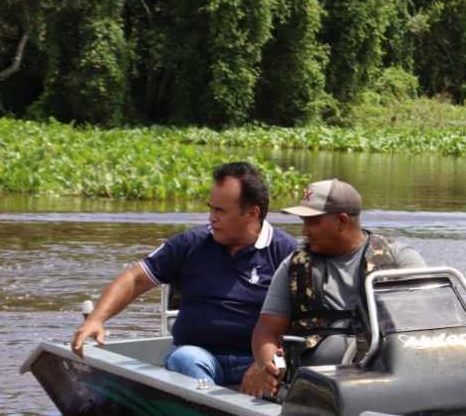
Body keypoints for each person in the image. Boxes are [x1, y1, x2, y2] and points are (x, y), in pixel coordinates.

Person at [71, 162, 298, 387]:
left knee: (281, 371)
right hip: (198, 356)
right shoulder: (191, 243)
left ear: (252, 213)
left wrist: (264, 364)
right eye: (210, 208)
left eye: (220, 210)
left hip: (256, 360)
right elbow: (135, 278)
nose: (211, 218)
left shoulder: (285, 252)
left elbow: (305, 324)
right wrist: (96, 319)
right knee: (185, 359)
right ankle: (209, 412)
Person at [239, 178, 425, 398]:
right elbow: (267, 332)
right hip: (313, 388)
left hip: (385, 378)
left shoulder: (398, 259)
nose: (305, 231)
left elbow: (426, 320)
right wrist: (270, 366)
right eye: (303, 221)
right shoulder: (294, 266)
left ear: (342, 221)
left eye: (313, 222)